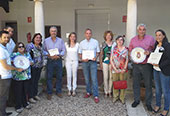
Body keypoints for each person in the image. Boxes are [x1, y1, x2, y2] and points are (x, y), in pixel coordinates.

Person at [129, 24, 155, 111]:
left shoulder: (151, 39)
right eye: (140, 29)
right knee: (135, 83)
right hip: (136, 65)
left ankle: (148, 103)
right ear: (138, 30)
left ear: (145, 30)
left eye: (143, 29)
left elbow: (154, 50)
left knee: (148, 84)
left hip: (146, 65)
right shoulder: (133, 40)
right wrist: (133, 58)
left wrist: (150, 52)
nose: (142, 31)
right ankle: (136, 100)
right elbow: (130, 51)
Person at [0, 31, 23, 116]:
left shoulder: (4, 48)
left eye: (8, 37)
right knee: (2, 97)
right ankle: (2, 113)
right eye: (4, 37)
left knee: (4, 96)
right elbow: (5, 66)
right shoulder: (1, 50)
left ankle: (3, 112)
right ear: (0, 38)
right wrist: (17, 68)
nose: (6, 39)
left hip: (6, 75)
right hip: (3, 76)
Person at [43, 26, 66, 100]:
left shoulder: (60, 41)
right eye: (52, 31)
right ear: (50, 32)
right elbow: (43, 50)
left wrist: (59, 55)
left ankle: (58, 91)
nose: (53, 32)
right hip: (50, 60)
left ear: (57, 32)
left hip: (58, 60)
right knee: (49, 77)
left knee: (59, 76)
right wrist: (48, 55)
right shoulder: (46, 41)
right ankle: (49, 92)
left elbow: (63, 50)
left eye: (55, 31)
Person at [151, 29, 170, 116]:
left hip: (164, 71)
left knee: (166, 91)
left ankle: (166, 109)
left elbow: (168, 60)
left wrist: (160, 65)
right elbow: (155, 56)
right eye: (156, 35)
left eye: (160, 35)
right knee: (158, 90)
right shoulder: (156, 45)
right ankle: (158, 105)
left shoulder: (167, 45)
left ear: (164, 36)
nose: (158, 37)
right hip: (156, 70)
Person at [11, 42, 33, 113]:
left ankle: (25, 103)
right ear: (17, 48)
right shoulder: (14, 55)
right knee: (18, 91)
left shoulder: (27, 54)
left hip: (26, 76)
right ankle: (18, 106)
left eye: (22, 46)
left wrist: (31, 63)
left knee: (25, 91)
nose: (21, 48)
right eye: (19, 47)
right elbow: (11, 62)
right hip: (18, 76)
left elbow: (32, 61)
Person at [79, 28, 100, 103]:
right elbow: (80, 53)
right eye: (87, 33)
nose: (88, 35)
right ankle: (88, 92)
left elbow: (98, 52)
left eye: (89, 33)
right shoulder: (81, 43)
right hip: (85, 62)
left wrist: (96, 57)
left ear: (91, 34)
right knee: (87, 78)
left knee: (94, 79)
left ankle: (96, 95)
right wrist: (82, 59)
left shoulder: (95, 42)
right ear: (85, 34)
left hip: (93, 62)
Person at [26, 33, 46, 103]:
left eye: (39, 38)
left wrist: (44, 63)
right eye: (37, 37)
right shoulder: (30, 46)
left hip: (39, 66)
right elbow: (27, 55)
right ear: (34, 38)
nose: (38, 39)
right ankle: (30, 96)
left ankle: (35, 94)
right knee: (32, 82)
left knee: (36, 81)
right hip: (32, 67)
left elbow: (43, 55)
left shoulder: (41, 46)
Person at [110, 36, 128, 104]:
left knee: (122, 83)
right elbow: (111, 60)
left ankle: (122, 97)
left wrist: (124, 68)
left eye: (121, 40)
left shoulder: (125, 50)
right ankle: (115, 96)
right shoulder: (114, 49)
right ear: (116, 41)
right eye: (118, 40)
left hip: (123, 70)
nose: (120, 41)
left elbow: (127, 60)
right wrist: (115, 68)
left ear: (123, 41)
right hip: (115, 69)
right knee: (115, 83)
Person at [99, 30, 114, 98]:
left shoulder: (114, 44)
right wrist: (100, 63)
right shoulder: (103, 44)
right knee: (105, 77)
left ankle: (110, 91)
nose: (108, 37)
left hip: (112, 63)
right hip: (105, 62)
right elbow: (101, 54)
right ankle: (106, 91)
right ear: (105, 36)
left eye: (110, 35)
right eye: (107, 35)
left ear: (111, 36)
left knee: (111, 77)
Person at [65, 32, 79, 97]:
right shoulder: (66, 44)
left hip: (75, 61)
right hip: (68, 61)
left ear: (75, 38)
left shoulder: (77, 45)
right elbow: (62, 51)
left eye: (74, 36)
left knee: (74, 75)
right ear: (69, 37)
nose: (72, 38)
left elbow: (80, 53)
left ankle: (74, 89)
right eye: (71, 36)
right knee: (68, 75)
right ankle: (69, 89)